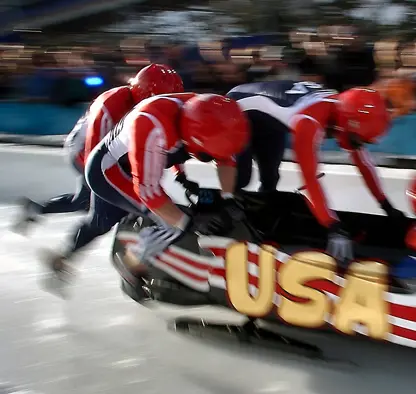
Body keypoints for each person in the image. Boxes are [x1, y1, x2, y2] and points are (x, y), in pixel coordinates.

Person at [36, 63, 185, 297]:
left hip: (121, 153)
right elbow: (94, 157)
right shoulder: (109, 106)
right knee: (100, 215)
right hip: (88, 154)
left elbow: (172, 137)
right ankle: (69, 256)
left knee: (132, 205)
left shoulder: (159, 109)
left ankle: (74, 254)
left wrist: (180, 171)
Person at [85, 92, 250, 300]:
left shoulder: (209, 111)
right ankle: (130, 265)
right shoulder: (152, 128)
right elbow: (148, 192)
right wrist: (189, 224)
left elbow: (226, 159)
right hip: (111, 172)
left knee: (184, 212)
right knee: (173, 225)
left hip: (147, 157)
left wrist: (227, 198)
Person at [227, 80, 404, 263]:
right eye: (357, 139)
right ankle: (230, 218)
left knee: (270, 177)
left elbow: (364, 163)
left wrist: (387, 206)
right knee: (242, 178)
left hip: (266, 117)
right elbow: (309, 179)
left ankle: (261, 221)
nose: (358, 145)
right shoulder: (308, 122)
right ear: (348, 123)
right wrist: (332, 225)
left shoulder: (343, 111)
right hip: (236, 110)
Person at [13, 112, 91, 234]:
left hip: (83, 149)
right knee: (87, 202)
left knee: (85, 202)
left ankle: (36, 209)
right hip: (86, 152)